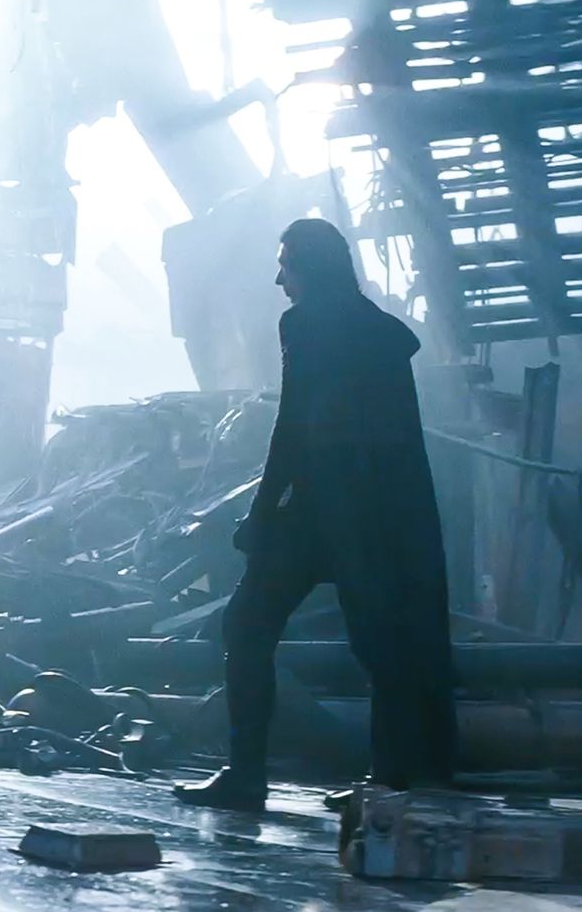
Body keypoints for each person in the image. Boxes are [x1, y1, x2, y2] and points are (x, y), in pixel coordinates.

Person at [175, 218, 457, 811]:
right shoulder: (381, 334)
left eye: (287, 265)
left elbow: (294, 425)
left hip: (319, 509)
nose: (279, 280)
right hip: (378, 514)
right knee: (383, 645)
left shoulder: (303, 324)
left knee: (247, 626)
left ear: (310, 267)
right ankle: (390, 777)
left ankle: (249, 774)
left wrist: (261, 510)